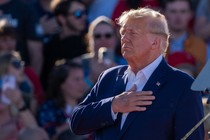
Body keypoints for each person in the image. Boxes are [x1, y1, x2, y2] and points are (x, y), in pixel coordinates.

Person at [70, 7, 204, 140]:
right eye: (123, 32)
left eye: (132, 33)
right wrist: (113, 105)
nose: (124, 38)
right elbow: (77, 123)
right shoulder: (109, 77)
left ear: (155, 42)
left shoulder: (183, 85)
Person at [41, 0, 88, 90]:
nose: (84, 17)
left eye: (85, 13)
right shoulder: (50, 46)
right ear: (62, 18)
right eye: (78, 14)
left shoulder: (89, 41)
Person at [38, 62, 88, 139]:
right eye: (77, 80)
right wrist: (68, 126)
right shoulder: (49, 108)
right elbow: (46, 136)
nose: (83, 84)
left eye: (82, 79)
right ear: (62, 84)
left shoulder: (89, 106)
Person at [79, 16, 126, 90]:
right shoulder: (79, 65)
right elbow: (72, 95)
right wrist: (92, 78)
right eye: (97, 36)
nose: (103, 40)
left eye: (108, 35)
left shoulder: (127, 65)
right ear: (89, 40)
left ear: (116, 39)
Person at [161, 0, 207, 76]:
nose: (178, 16)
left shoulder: (200, 44)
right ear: (164, 14)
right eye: (173, 11)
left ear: (191, 14)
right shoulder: (156, 43)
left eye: (183, 11)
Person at [0, 0, 43, 75]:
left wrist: (31, 77)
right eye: (4, 40)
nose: (9, 43)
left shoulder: (24, 9)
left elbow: (36, 52)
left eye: (12, 39)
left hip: (20, 71)